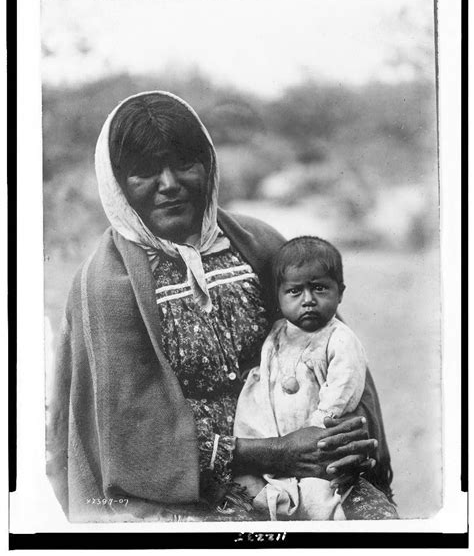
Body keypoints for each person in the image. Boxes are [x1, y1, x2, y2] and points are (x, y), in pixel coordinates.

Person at [47, 91, 394, 522]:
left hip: (309, 460)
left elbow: (333, 346)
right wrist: (277, 453)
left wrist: (344, 430)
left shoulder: (259, 244)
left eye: (185, 163)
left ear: (208, 164)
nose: (170, 184)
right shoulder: (106, 287)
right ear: (117, 184)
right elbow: (130, 446)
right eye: (144, 171)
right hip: (176, 494)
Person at [234, 236, 398, 520]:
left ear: (340, 292)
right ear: (279, 296)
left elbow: (342, 389)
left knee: (321, 499)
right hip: (281, 442)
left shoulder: (338, 339)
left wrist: (317, 432)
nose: (308, 300)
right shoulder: (276, 335)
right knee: (257, 492)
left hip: (319, 445)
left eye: (320, 288)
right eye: (295, 291)